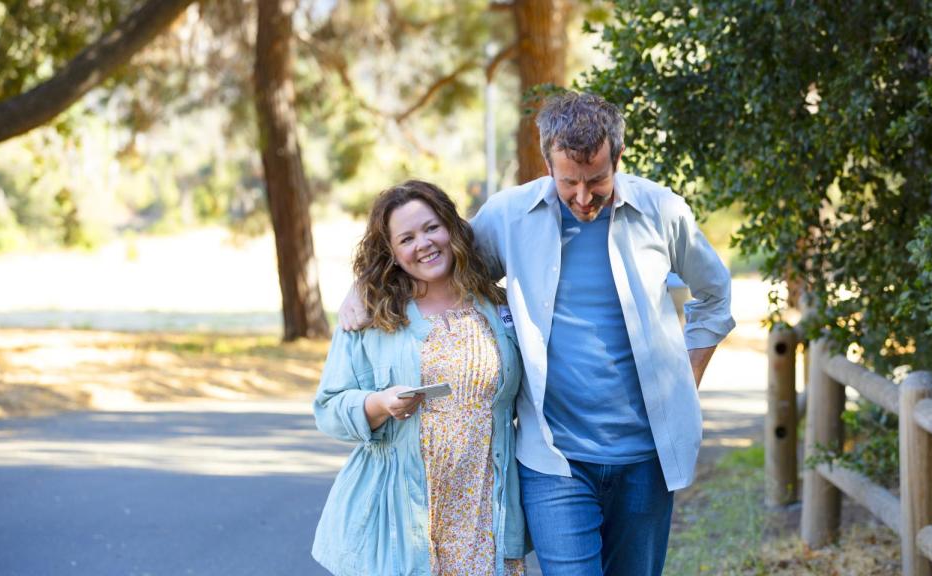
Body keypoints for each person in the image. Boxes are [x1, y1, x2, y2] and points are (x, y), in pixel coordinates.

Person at [341, 91, 735, 576]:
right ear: (547, 163)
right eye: (569, 182)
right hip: (553, 461)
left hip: (647, 458)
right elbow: (436, 263)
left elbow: (715, 296)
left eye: (597, 180)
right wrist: (364, 285)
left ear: (618, 157)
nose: (584, 198)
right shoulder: (509, 216)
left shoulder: (663, 212)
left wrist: (687, 380)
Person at [312, 180, 527, 576]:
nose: (424, 244)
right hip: (402, 518)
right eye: (406, 238)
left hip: (484, 510)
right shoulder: (372, 314)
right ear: (391, 252)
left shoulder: (496, 305)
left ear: (451, 228)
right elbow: (328, 407)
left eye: (431, 228)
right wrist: (377, 404)